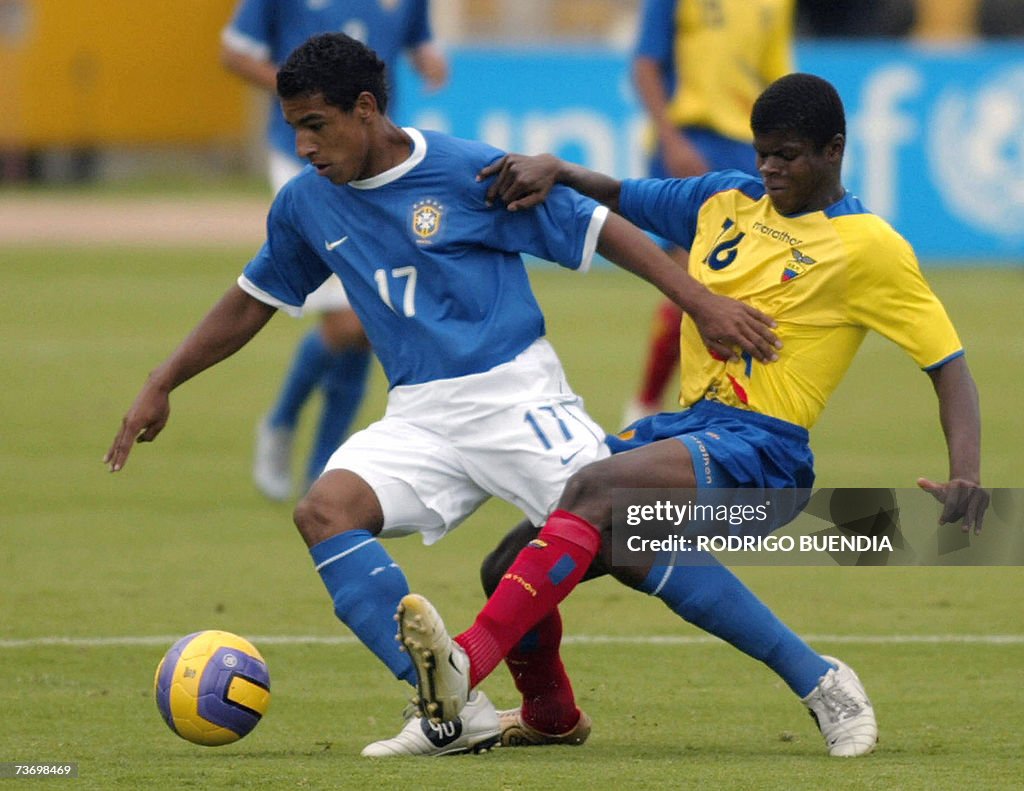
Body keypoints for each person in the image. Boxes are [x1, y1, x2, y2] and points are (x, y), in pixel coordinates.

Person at [104, 33, 779, 757]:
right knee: (325, 510)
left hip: (516, 396)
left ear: (365, 109)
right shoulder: (306, 204)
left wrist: (699, 300)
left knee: (634, 539)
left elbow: (600, 230)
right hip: (421, 416)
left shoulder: (469, 172)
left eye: (315, 125)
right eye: (293, 126)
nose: (300, 146)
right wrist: (162, 379)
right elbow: (251, 300)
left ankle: (815, 675)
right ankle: (456, 712)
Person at [396, 72, 990, 759]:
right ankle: (558, 713)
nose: (768, 168)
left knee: (596, 490)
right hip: (684, 432)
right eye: (762, 151)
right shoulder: (722, 198)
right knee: (510, 566)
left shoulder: (869, 247)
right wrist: (558, 168)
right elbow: (621, 196)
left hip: (765, 454)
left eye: (787, 155)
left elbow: (949, 365)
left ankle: (462, 668)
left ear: (834, 150)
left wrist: (966, 472)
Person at [221, 0, 449, 500]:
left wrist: (430, 58)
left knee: (366, 321)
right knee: (349, 322)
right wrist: (307, 99)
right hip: (303, 156)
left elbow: (418, 40)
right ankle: (282, 423)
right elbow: (234, 53)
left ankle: (320, 468)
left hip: (375, 160)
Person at [622, 0, 794, 426]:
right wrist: (670, 140)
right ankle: (644, 406)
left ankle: (720, 406)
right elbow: (644, 65)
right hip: (690, 142)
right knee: (689, 281)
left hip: (747, 148)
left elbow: (777, 80)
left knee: (744, 288)